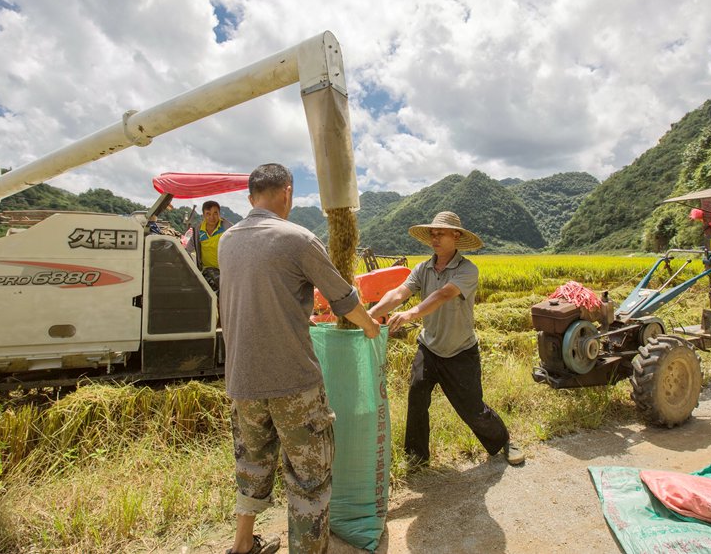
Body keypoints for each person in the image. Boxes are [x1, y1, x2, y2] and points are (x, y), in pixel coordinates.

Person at [218, 163, 381, 554]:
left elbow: (262, 296)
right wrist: (371, 327)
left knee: (251, 464)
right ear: (288, 192)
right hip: (293, 382)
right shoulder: (298, 238)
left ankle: (242, 544)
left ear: (249, 198)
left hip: (242, 381)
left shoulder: (227, 240)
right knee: (309, 477)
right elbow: (344, 299)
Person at [368, 211, 525, 468]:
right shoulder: (423, 269)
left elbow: (443, 294)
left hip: (460, 351)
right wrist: (371, 314)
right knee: (417, 395)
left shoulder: (467, 270)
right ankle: (417, 455)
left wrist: (411, 313)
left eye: (441, 233)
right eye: (433, 233)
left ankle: (504, 440)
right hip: (429, 347)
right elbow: (399, 292)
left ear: (456, 236)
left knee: (472, 409)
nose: (435, 238)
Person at [186, 200, 232, 291]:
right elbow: (187, 250)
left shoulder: (228, 229)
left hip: (226, 271)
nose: (212, 217)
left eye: (215, 213)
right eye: (208, 214)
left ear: (219, 214)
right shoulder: (198, 231)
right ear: (203, 215)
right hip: (207, 270)